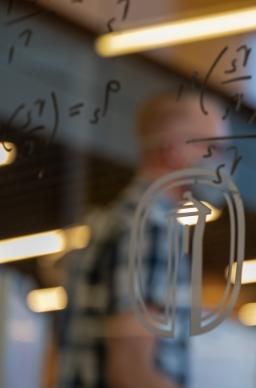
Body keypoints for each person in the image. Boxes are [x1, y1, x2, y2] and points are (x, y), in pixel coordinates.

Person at [57, 91, 227, 388]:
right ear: (174, 147)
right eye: (211, 146)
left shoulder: (119, 219)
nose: (221, 161)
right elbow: (131, 369)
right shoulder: (153, 226)